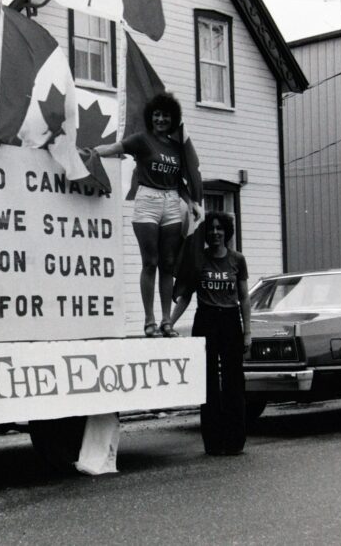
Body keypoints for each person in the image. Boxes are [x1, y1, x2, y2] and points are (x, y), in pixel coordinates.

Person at [89, 93, 202, 337]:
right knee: (150, 261)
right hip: (147, 201)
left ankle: (166, 321)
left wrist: (190, 202)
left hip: (171, 202)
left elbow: (179, 182)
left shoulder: (176, 147)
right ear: (151, 117)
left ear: (173, 119)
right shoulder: (142, 139)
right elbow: (114, 148)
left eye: (166, 116)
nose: (161, 119)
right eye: (157, 115)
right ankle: (149, 320)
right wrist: (91, 152)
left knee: (167, 263)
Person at [167, 211, 251, 456]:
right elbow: (186, 296)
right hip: (206, 320)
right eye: (211, 229)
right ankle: (213, 442)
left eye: (219, 228)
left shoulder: (237, 259)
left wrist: (247, 332)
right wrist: (168, 323)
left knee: (233, 381)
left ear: (226, 232)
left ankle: (234, 441)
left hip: (230, 320)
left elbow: (244, 298)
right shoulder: (199, 259)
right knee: (209, 382)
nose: (215, 233)